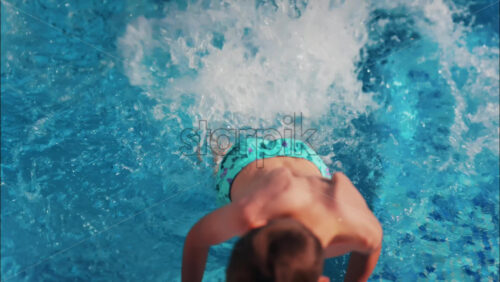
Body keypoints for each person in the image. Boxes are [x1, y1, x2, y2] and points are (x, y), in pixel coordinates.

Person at [182, 137, 383, 282]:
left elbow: (374, 242)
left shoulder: (358, 231)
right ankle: (220, 152)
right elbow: (197, 238)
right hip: (244, 161)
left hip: (304, 158)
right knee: (215, 161)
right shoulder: (249, 215)